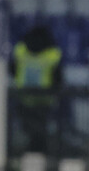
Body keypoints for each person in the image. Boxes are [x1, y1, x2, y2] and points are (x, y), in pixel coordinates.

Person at [10, 24, 63, 154]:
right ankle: (40, 154)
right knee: (40, 132)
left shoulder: (20, 50)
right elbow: (58, 78)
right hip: (44, 101)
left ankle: (30, 154)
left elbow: (12, 70)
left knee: (28, 132)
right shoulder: (53, 54)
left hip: (24, 99)